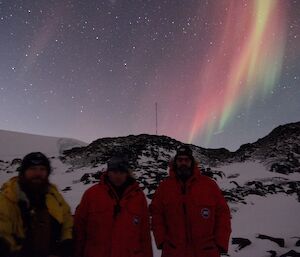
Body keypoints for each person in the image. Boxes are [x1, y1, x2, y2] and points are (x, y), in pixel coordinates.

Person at [150, 145, 231, 257]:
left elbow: (223, 213)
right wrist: (161, 241)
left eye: (186, 160)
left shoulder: (209, 185)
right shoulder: (165, 186)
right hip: (173, 251)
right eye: (180, 160)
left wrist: (220, 242)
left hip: (206, 252)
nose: (183, 163)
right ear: (175, 162)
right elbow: (156, 213)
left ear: (192, 162)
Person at [74, 155, 153, 257]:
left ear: (127, 174)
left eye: (122, 172)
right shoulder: (91, 194)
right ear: (108, 172)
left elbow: (144, 234)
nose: (118, 176)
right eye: (114, 172)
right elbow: (80, 229)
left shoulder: (138, 197)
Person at [0, 152, 73, 257]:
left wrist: (66, 241)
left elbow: (67, 221)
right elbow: (3, 228)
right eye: (33, 169)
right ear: (23, 172)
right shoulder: (9, 197)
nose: (38, 173)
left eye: (42, 169)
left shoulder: (54, 195)